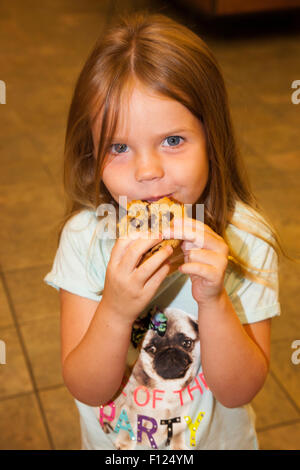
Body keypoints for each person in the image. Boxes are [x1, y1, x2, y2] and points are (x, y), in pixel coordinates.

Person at [44, 12, 286, 450]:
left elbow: (239, 391)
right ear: (91, 155)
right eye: (119, 147)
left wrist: (213, 301)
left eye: (173, 140)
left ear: (212, 139)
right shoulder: (85, 239)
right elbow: (87, 387)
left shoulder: (246, 241)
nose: (147, 171)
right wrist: (115, 310)